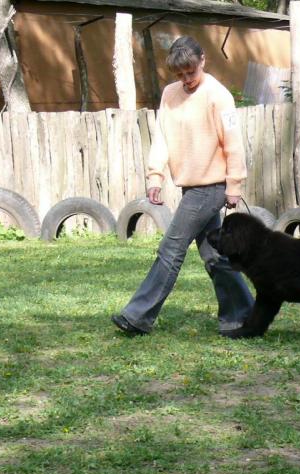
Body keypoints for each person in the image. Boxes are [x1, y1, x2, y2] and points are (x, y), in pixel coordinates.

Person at [111, 36, 253, 335]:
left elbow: (234, 143)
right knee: (214, 254)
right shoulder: (170, 95)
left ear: (203, 60)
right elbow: (162, 137)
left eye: (191, 71)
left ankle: (138, 316)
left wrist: (234, 184)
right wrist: (155, 176)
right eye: (180, 74)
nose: (186, 79)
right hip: (191, 187)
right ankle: (243, 315)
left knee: (171, 247)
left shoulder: (219, 95)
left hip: (212, 186)